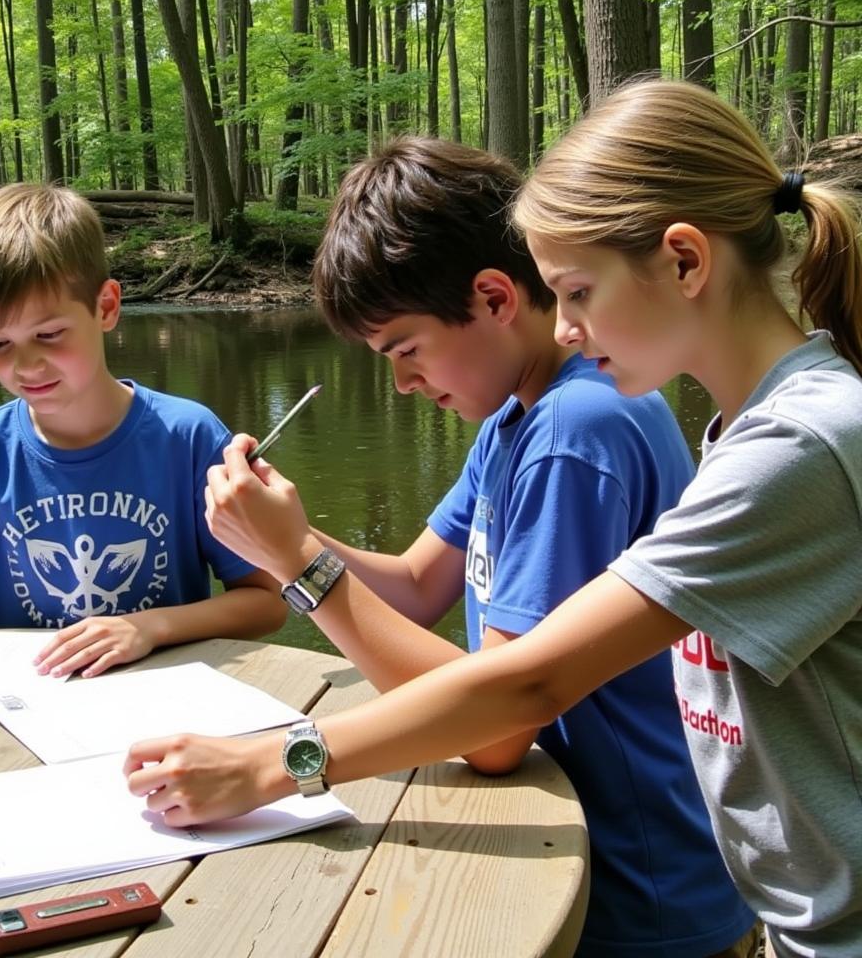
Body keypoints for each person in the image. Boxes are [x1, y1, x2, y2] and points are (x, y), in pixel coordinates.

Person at [125, 82, 862, 958]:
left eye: (578, 291)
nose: (571, 328)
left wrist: (269, 763)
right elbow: (421, 590)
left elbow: (518, 701)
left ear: (686, 262)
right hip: (780, 918)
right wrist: (282, 538)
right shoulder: (740, 426)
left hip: (677, 905)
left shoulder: (780, 443)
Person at [0, 183, 285, 683]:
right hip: (28, 714)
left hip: (169, 704)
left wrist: (149, 628)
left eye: (49, 335)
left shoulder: (186, 438)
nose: (26, 365)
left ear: (106, 307)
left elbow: (266, 601)